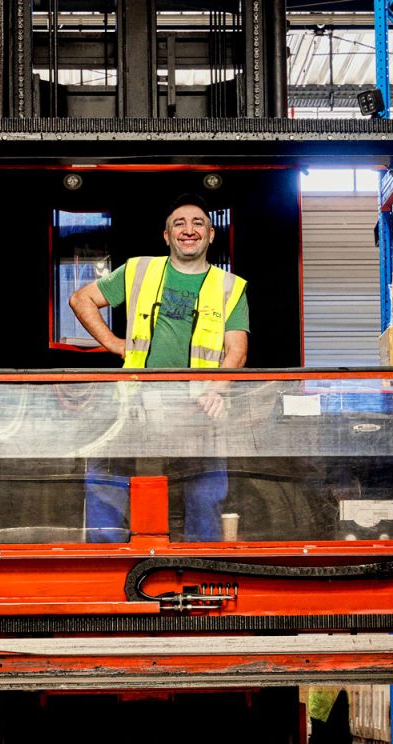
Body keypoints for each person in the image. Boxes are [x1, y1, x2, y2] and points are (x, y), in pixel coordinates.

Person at [69, 194, 250, 540]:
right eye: (179, 224)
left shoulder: (230, 287)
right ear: (167, 236)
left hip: (198, 413)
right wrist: (114, 343)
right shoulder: (140, 270)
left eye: (198, 223)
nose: (188, 230)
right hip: (135, 409)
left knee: (204, 497)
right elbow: (81, 299)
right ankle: (110, 562)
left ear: (211, 234)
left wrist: (216, 391)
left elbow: (237, 351)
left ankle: (200, 564)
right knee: (107, 487)